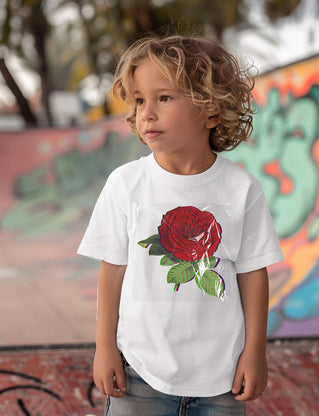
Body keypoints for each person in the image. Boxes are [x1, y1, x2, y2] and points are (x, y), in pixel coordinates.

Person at [78, 35, 284, 416]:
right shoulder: (126, 184)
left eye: (165, 98)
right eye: (140, 100)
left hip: (221, 380)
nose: (147, 112)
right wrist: (104, 345)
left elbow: (253, 274)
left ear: (211, 111)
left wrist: (255, 351)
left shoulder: (241, 189)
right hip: (139, 374)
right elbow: (113, 270)